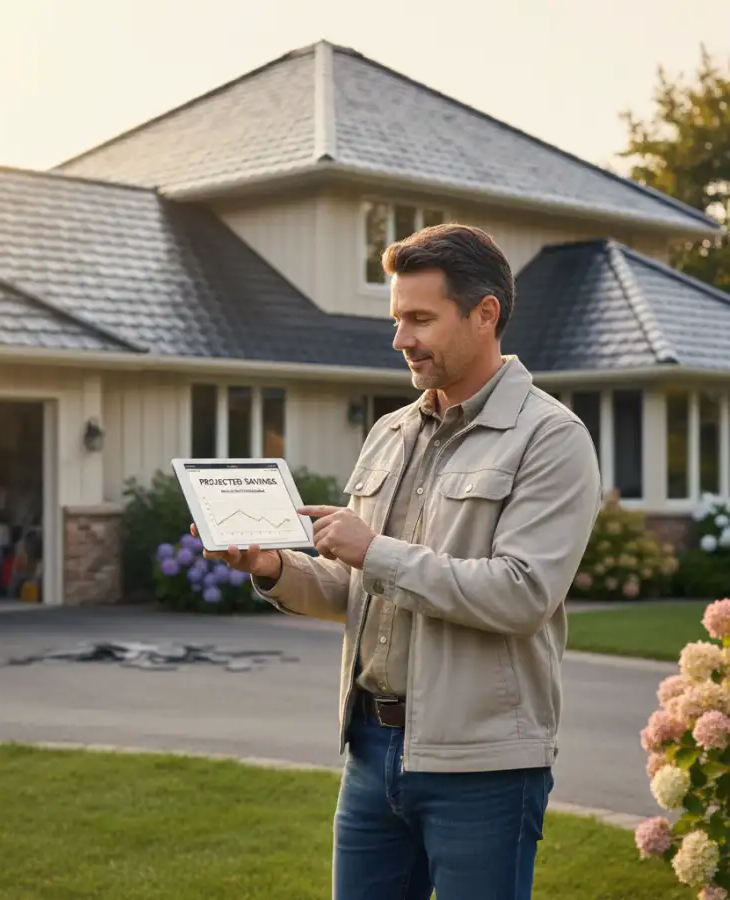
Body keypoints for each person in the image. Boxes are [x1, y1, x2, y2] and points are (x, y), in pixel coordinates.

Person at [192, 223, 602, 900]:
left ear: (485, 314)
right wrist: (272, 568)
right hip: (370, 751)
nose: (400, 339)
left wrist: (374, 550)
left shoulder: (551, 438)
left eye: (420, 318)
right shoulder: (389, 433)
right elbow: (361, 586)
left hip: (484, 765)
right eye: (396, 318)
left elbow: (522, 593)